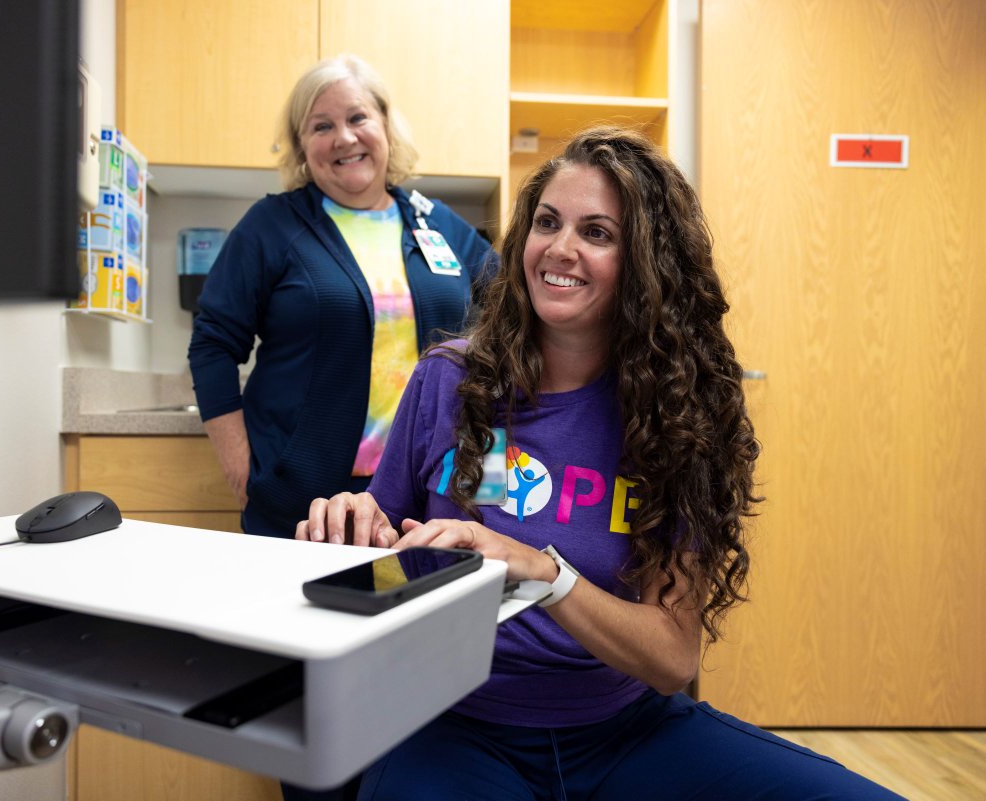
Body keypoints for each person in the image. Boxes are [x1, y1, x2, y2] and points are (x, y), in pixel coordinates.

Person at [298, 127, 904, 800]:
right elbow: (389, 552)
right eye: (548, 223)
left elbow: (672, 656)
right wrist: (358, 529)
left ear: (645, 263)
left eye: (597, 232)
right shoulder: (449, 380)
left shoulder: (675, 415)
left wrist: (545, 573)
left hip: (625, 732)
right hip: (454, 727)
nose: (560, 249)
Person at [188, 54, 497, 539]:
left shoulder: (437, 224)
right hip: (300, 500)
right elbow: (212, 345)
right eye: (321, 126)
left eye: (357, 118)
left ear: (386, 127)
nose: (345, 137)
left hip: (422, 500)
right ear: (301, 145)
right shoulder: (272, 226)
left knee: (417, 614)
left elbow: (512, 325)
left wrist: (490, 474)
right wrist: (242, 471)